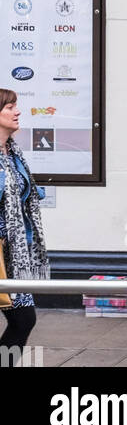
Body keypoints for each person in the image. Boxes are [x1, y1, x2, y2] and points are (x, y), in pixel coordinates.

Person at [0, 89, 49, 361]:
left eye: (15, 106)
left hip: (15, 254)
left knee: (23, 319)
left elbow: (18, 189)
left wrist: (32, 192)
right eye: (9, 107)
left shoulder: (12, 152)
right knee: (22, 319)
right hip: (1, 251)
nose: (17, 111)